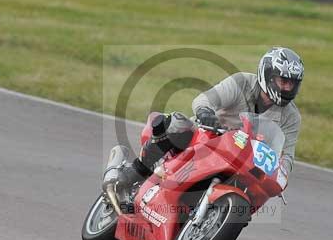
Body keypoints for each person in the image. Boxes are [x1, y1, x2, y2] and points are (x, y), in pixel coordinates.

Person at [117, 47, 304, 189]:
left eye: (293, 84)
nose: (288, 88)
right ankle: (135, 171)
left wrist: (282, 174)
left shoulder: (291, 116)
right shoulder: (241, 82)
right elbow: (204, 99)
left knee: (255, 192)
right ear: (269, 76)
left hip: (243, 160)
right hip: (210, 137)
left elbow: (286, 155)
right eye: (284, 81)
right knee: (179, 124)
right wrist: (206, 113)